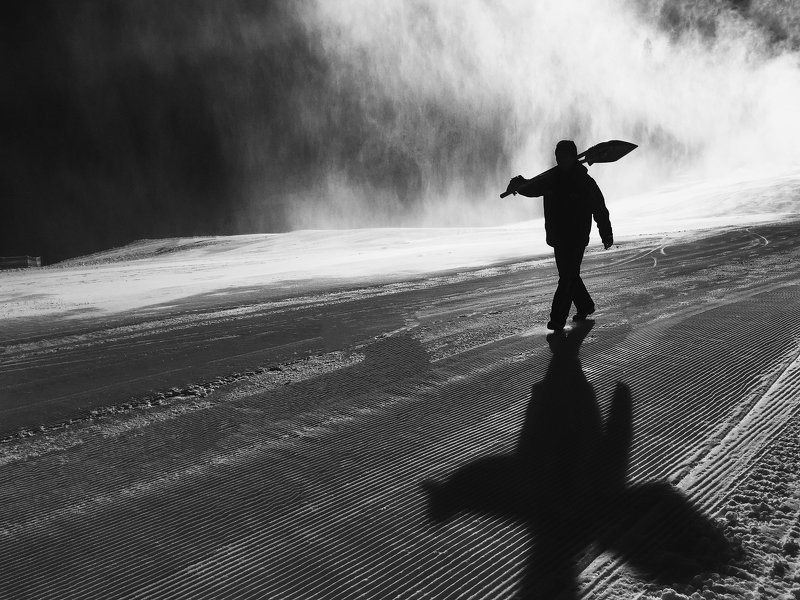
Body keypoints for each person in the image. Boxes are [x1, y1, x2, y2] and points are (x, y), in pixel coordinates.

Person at [509, 140, 613, 331]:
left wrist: (606, 233)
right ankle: (585, 306)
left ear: (573, 157)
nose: (561, 159)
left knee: (566, 277)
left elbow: (599, 208)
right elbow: (532, 188)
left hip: (577, 237)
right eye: (558, 156)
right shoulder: (551, 179)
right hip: (558, 237)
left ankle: (557, 320)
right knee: (569, 275)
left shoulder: (584, 182)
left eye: (565, 156)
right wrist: (519, 184)